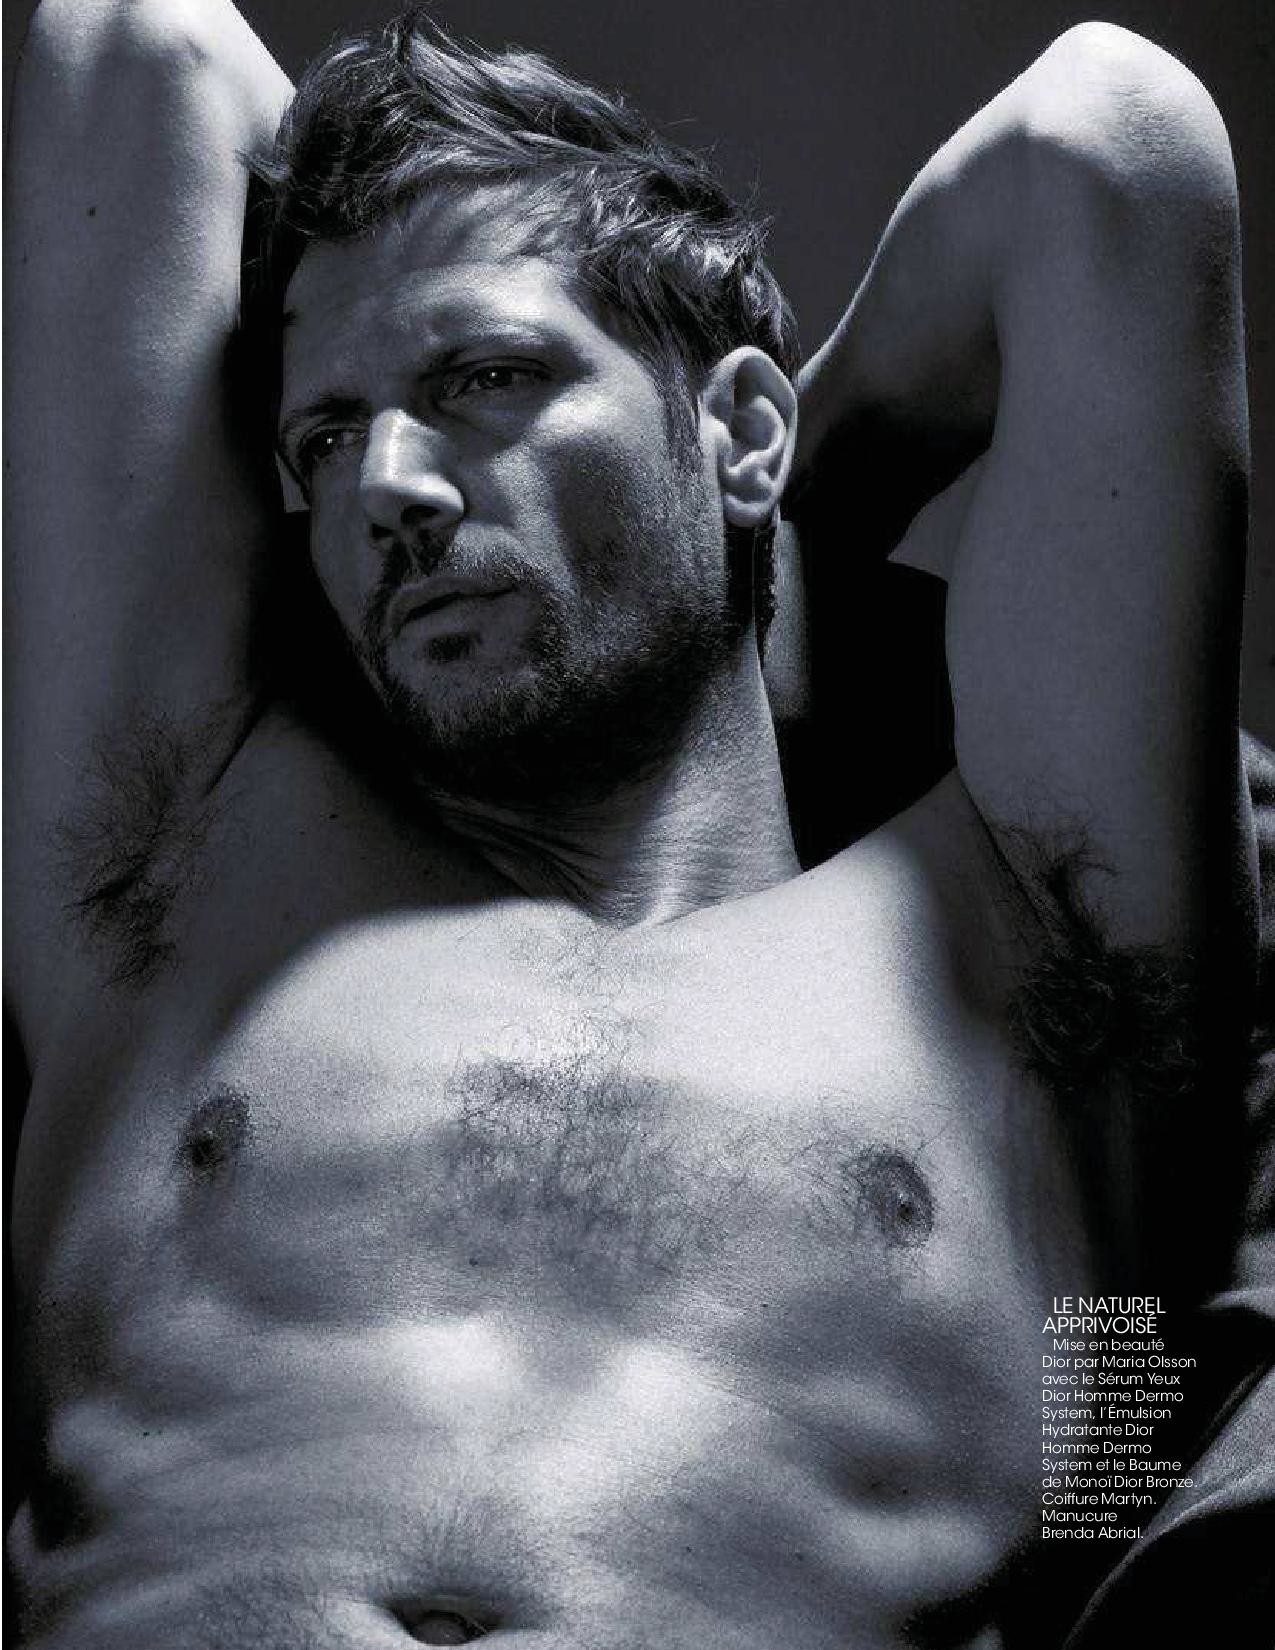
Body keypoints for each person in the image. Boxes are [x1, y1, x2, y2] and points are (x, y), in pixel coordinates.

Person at [5, 1, 1259, 1644]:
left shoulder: (1015, 948)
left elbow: (1108, 142)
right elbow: (131, 42)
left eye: (484, 376)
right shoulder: (174, 871)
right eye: (327, 433)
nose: (385, 485)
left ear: (741, 428)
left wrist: (786, 524)